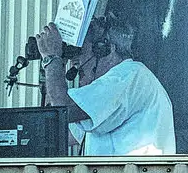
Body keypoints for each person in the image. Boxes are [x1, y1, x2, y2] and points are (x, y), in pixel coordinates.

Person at [33, 14, 176, 156]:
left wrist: (51, 58)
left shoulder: (128, 75)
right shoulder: (109, 95)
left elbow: (63, 109)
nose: (75, 62)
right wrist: (55, 66)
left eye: (81, 51)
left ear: (105, 49)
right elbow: (56, 133)